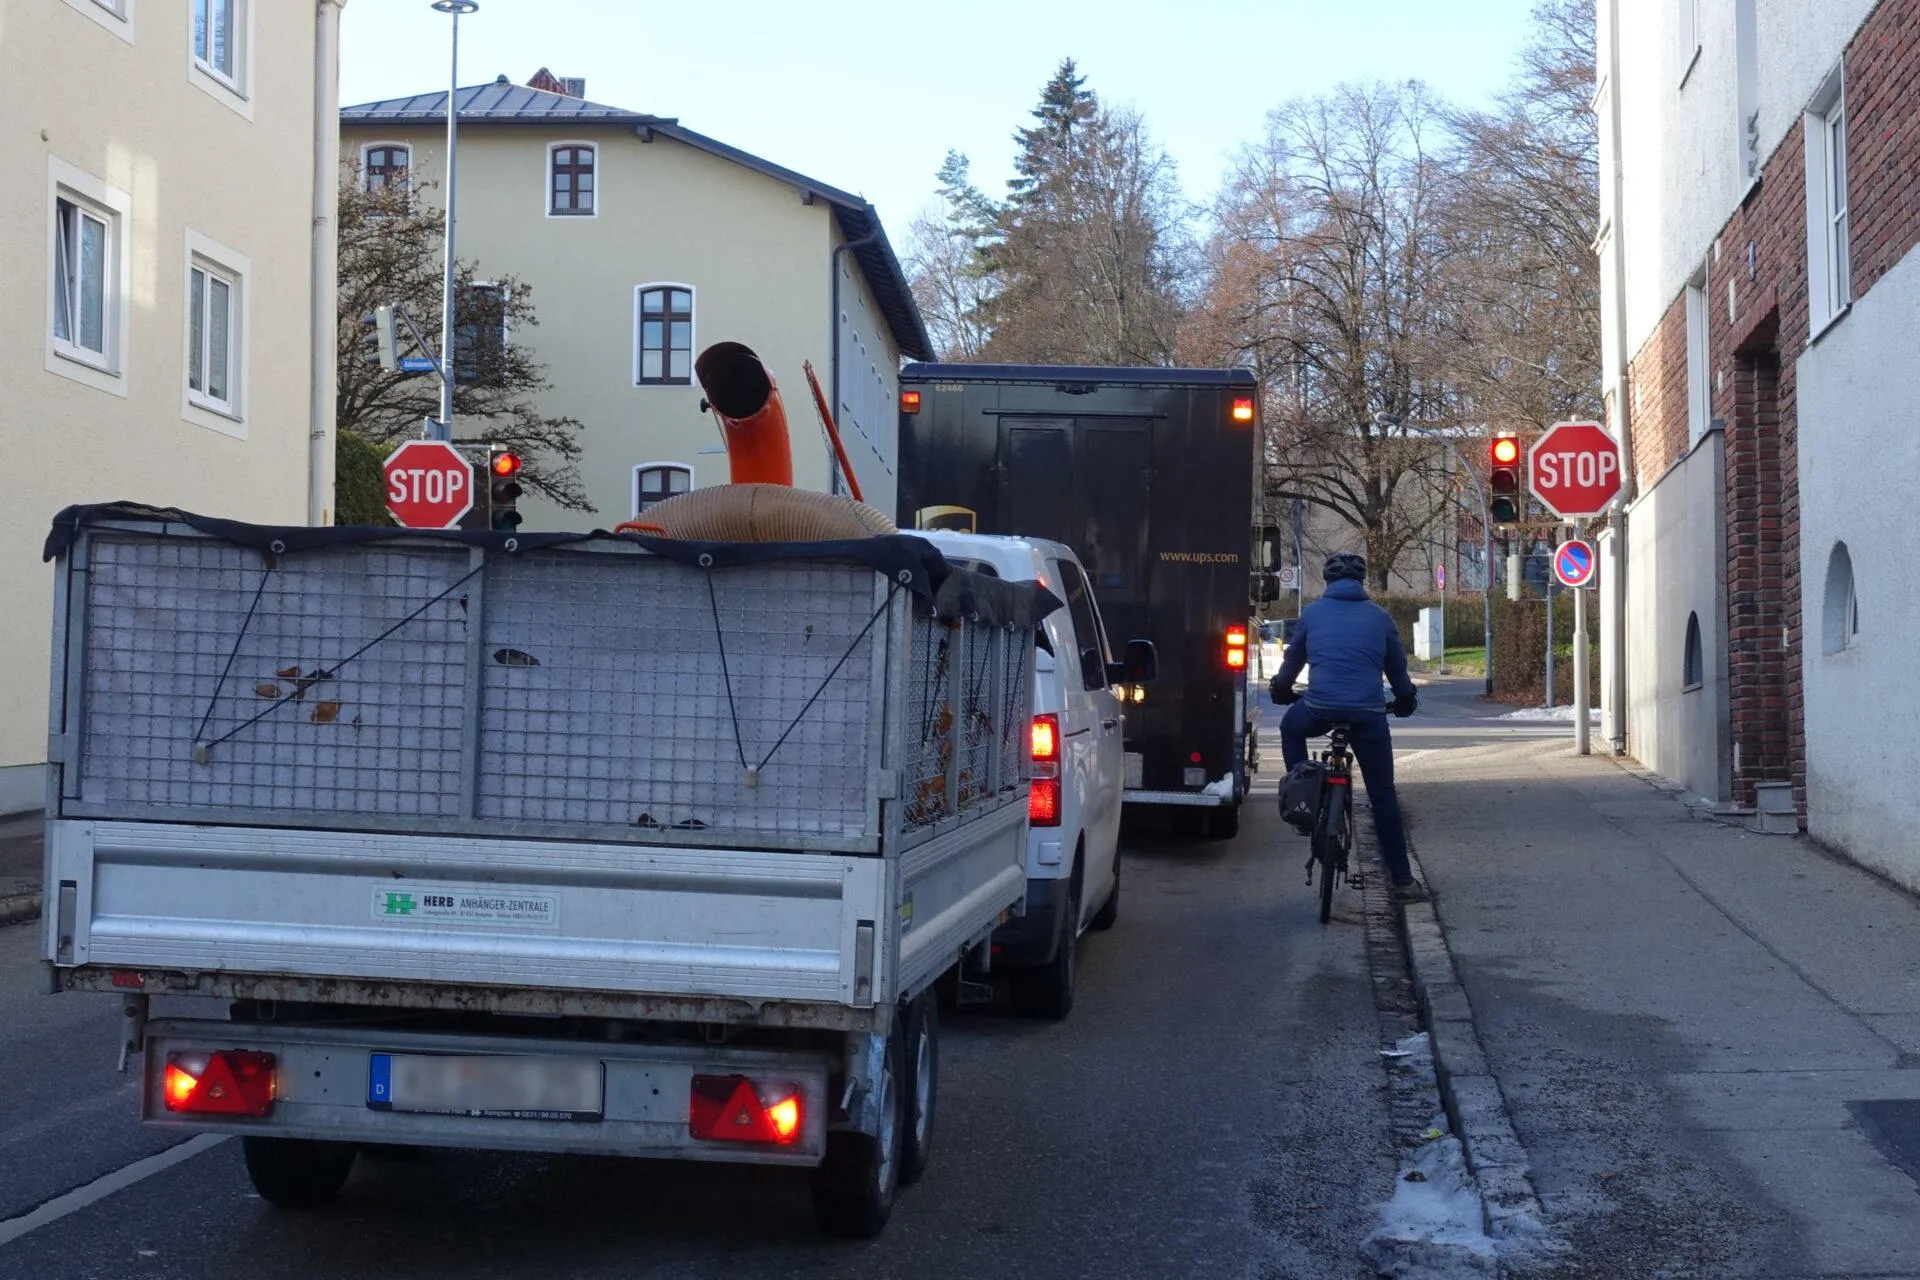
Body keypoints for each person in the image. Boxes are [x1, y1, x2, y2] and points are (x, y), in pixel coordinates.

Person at [1269, 551, 1426, 903]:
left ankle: (1302, 799)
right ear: (1362, 582)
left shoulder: (1312, 613)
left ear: (1327, 581)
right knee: (1382, 794)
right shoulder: (1380, 617)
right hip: (1368, 716)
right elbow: (1398, 671)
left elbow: (1292, 663)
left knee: (1290, 729)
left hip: (1319, 709)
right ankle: (1402, 882)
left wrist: (1281, 690)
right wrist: (1404, 700)